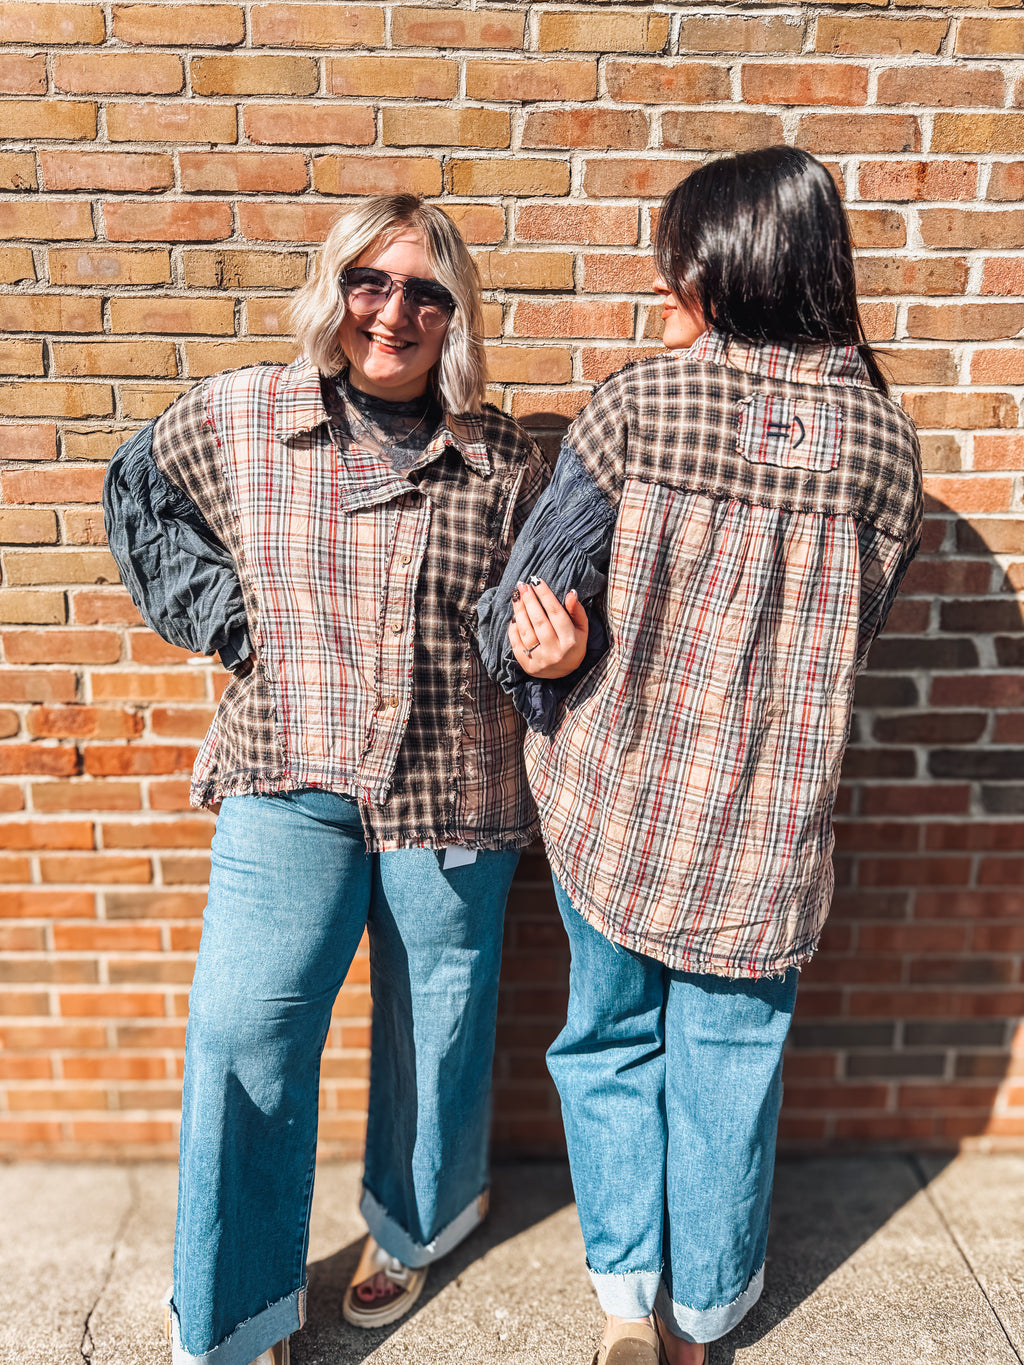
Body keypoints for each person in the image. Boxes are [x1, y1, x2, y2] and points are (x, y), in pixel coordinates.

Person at [476, 147, 923, 1365]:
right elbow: (854, 641)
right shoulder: (886, 449)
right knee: (731, 1074)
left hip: (619, 806)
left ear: (723, 263)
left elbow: (519, 611)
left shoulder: (636, 406)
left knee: (610, 1042)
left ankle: (626, 1301)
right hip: (768, 833)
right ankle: (703, 1324)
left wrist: (549, 666)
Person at [103, 194, 548, 1365]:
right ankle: (238, 1312)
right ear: (333, 287)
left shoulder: (502, 456)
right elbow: (134, 494)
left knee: (439, 1030)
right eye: (369, 281)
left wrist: (554, 645)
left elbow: (535, 610)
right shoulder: (244, 414)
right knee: (243, 1029)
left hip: (454, 787)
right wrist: (223, 618)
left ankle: (419, 1221)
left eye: (425, 291)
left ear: (455, 316)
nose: (392, 312)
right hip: (288, 769)